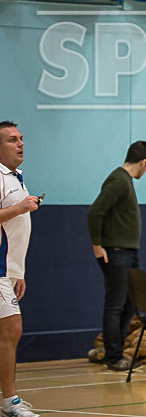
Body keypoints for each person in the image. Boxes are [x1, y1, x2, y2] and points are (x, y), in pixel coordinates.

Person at [87, 140, 146, 372]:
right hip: (116, 252)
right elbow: (95, 211)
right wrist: (97, 245)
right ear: (144, 162)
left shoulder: (125, 181)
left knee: (129, 303)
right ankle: (114, 356)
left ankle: (117, 351)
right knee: (116, 304)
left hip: (127, 252)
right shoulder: (119, 180)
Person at [0, 122, 41, 417]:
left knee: (9, 330)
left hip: (9, 270)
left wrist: (19, 272)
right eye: (13, 140)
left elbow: (16, 232)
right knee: (12, 329)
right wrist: (20, 208)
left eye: (22, 139)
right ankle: (11, 403)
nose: (20, 144)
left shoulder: (16, 177)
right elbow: (12, 216)